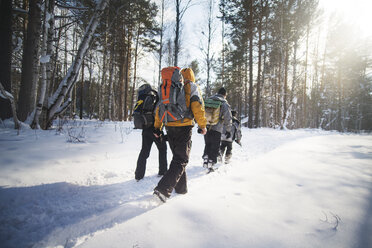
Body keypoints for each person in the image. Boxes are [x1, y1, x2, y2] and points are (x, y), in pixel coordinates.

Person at [153, 67, 207, 202]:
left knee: (178, 158)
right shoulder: (191, 86)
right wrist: (202, 125)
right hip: (184, 126)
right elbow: (197, 106)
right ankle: (163, 189)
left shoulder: (168, 88)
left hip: (168, 125)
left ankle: (181, 189)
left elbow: (160, 107)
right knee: (181, 159)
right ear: (192, 77)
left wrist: (157, 127)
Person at [134, 84, 168, 181]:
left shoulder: (143, 98)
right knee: (162, 149)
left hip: (145, 128)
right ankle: (163, 171)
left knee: (144, 151)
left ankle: (138, 175)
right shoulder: (155, 98)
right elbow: (158, 113)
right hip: (155, 129)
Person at [203, 87, 232, 169]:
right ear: (225, 95)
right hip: (217, 128)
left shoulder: (209, 100)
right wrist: (228, 130)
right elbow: (228, 118)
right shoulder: (224, 103)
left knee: (207, 143)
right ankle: (211, 163)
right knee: (215, 146)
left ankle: (206, 158)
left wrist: (201, 126)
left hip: (207, 126)